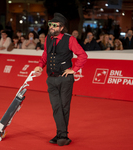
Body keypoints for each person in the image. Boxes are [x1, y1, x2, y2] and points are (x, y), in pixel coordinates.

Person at [34, 13, 88, 146]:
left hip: (65, 79)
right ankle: (62, 135)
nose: (51, 27)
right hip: (51, 79)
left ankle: (62, 135)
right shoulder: (48, 38)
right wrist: (40, 66)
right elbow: (46, 53)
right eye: (50, 24)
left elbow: (83, 55)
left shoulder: (69, 39)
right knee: (56, 107)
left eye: (54, 25)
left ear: (61, 27)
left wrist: (73, 70)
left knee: (64, 107)